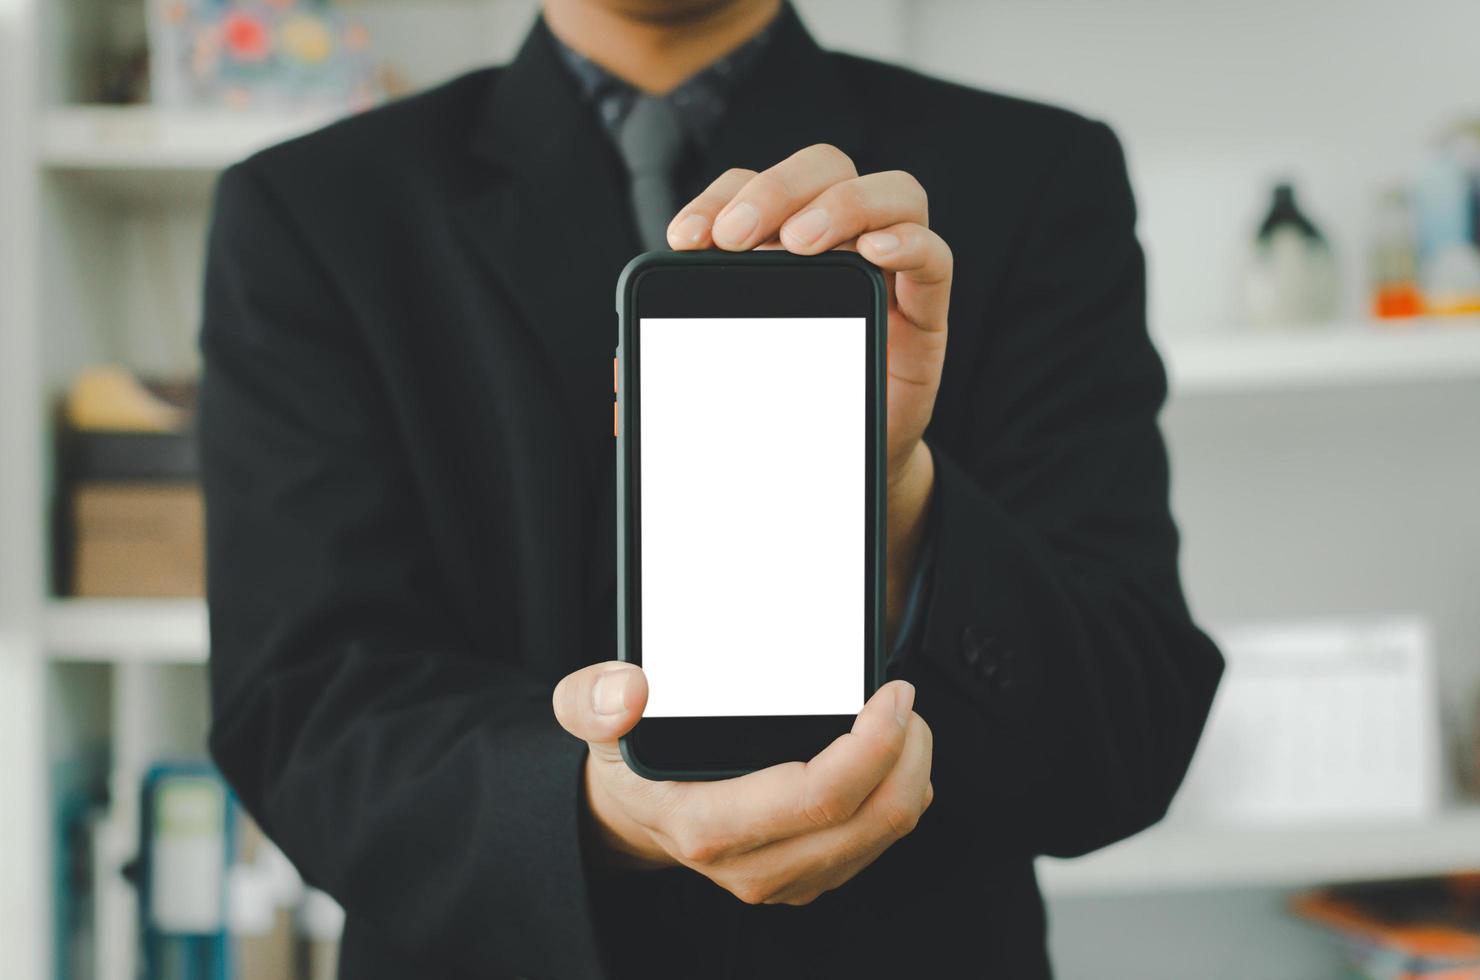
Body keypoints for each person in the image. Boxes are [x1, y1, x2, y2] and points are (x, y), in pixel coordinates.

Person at [199, 0, 1225, 977]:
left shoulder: (1033, 174)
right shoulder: (310, 212)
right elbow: (306, 715)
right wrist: (592, 809)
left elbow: (1125, 738)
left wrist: (898, 495)